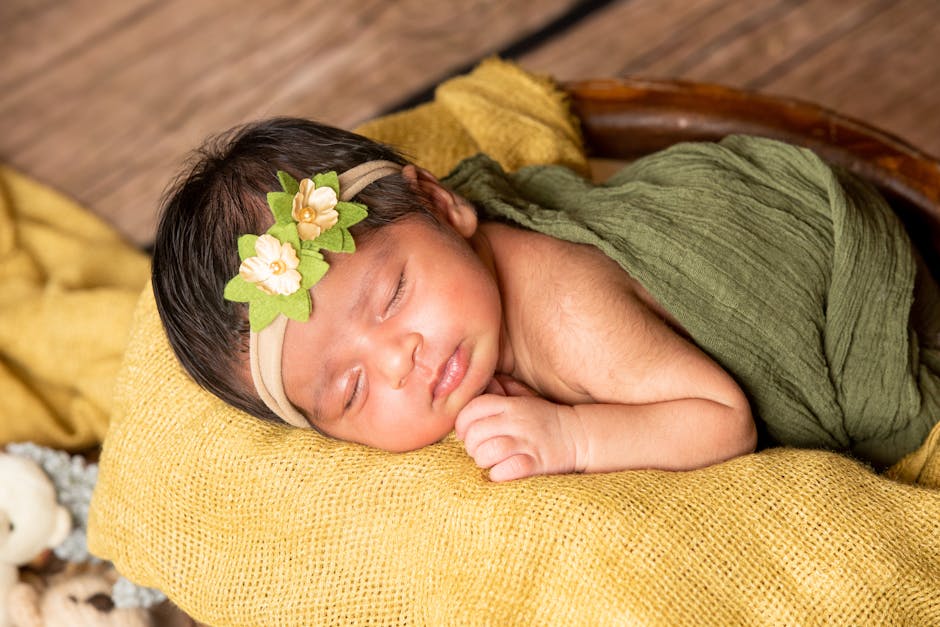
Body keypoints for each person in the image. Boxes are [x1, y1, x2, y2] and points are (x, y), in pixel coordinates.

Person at [153, 117, 939, 481]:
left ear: (443, 202)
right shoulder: (469, 322)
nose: (400, 359)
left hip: (834, 285)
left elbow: (720, 418)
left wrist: (569, 438)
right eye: (351, 389)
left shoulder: (565, 309)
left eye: (393, 293)